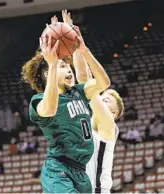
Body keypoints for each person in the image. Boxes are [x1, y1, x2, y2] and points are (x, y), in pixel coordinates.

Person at [21, 14, 110, 193]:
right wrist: (53, 64)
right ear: (48, 74)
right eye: (63, 66)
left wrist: (83, 50)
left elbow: (104, 82)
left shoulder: (78, 92)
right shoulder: (38, 101)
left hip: (80, 171)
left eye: (68, 66)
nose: (69, 69)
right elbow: (50, 109)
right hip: (58, 169)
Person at [62, 10, 124, 193]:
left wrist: (81, 48)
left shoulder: (108, 127)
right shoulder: (88, 121)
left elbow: (85, 83)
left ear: (113, 114)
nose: (101, 100)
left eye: (106, 101)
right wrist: (74, 43)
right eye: (102, 98)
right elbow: (82, 76)